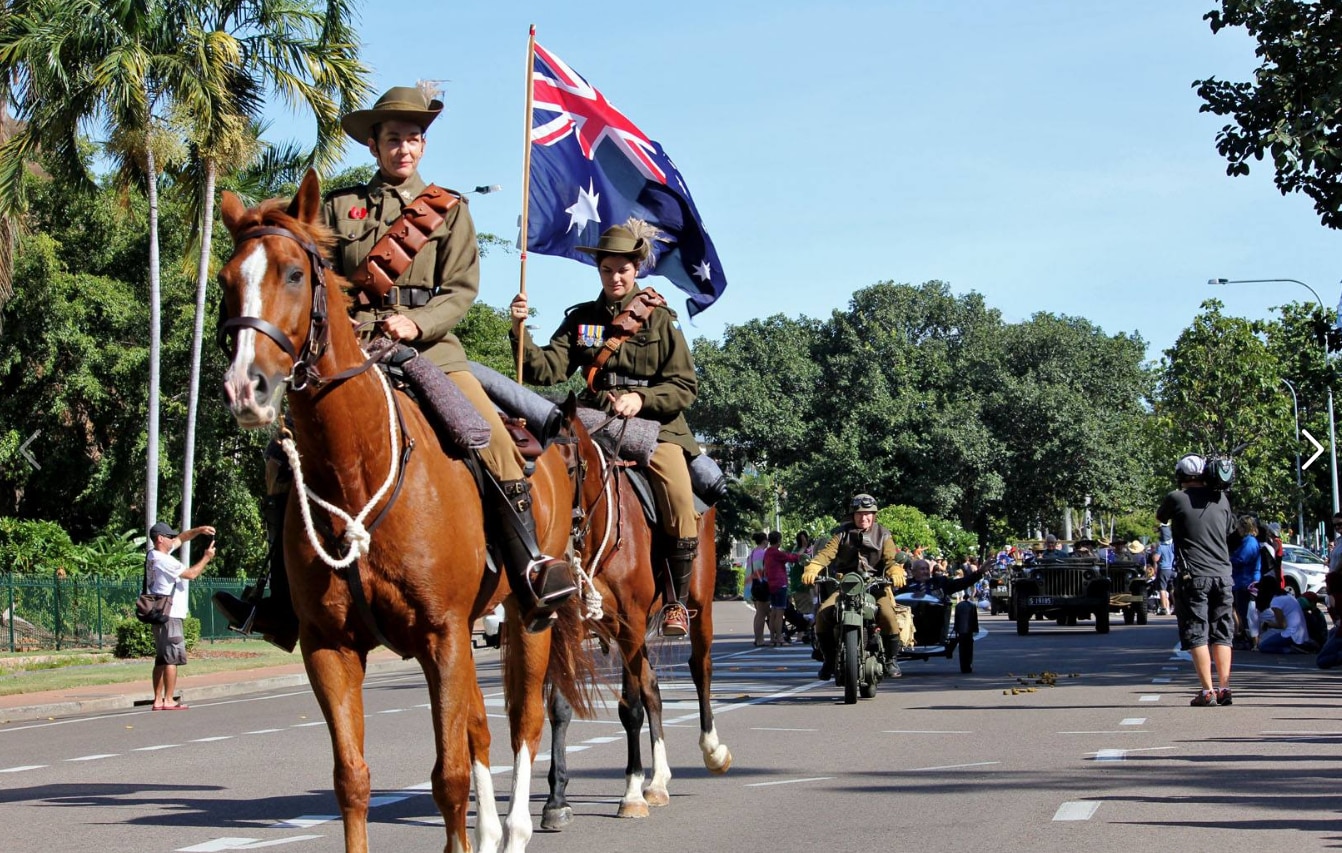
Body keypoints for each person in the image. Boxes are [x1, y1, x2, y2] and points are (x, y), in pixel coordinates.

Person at [217, 86, 578, 637]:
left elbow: (460, 291)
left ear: (423, 146)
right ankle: (281, 593)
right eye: (392, 139)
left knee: (492, 439)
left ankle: (530, 565)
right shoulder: (339, 208)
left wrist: (417, 322)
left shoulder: (451, 210)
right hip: (353, 349)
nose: (403, 148)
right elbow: (311, 282)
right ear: (374, 145)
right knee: (280, 456)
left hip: (431, 350)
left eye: (413, 138)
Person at [509, 221, 701, 637]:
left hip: (655, 426)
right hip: (595, 421)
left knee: (680, 498)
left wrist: (642, 400)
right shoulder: (583, 320)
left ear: (637, 269)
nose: (615, 278)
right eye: (607, 269)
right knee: (539, 477)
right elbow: (546, 369)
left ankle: (676, 603)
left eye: (623, 270)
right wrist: (519, 331)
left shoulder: (661, 319)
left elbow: (685, 385)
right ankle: (550, 579)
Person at [1156, 454, 1236, 707]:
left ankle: (1207, 691)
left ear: (1181, 475)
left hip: (1195, 577)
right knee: (1222, 632)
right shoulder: (1222, 499)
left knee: (1197, 632)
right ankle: (1224, 688)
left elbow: (1161, 518)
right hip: (1223, 575)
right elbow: (1230, 531)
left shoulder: (1175, 498)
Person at [801, 494, 910, 679]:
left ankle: (891, 660)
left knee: (888, 615)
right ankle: (829, 659)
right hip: (845, 586)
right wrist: (813, 567)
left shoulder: (884, 534)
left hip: (875, 586)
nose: (863, 517)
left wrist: (896, 570)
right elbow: (827, 554)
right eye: (859, 513)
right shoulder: (841, 533)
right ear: (853, 515)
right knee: (822, 614)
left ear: (874, 515)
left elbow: (891, 557)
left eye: (868, 513)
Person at [146, 521, 216, 711]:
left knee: (161, 657)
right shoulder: (164, 560)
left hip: (159, 613)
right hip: (171, 614)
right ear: (160, 539)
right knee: (171, 657)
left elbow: (182, 538)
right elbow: (191, 574)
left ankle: (158, 699)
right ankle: (168, 699)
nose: (172, 539)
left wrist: (199, 531)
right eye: (169, 537)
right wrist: (206, 557)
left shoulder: (153, 555)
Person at [763, 531, 803, 645]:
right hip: (780, 584)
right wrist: (802, 550)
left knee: (773, 612)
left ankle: (772, 638)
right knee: (780, 613)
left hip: (771, 584)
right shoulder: (777, 553)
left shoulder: (767, 553)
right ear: (779, 541)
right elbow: (792, 558)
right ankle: (780, 638)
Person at [1229, 515, 1261, 650]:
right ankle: (1243, 634)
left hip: (1246, 581)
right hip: (1243, 580)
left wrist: (1229, 559)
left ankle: (1251, 639)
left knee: (1247, 612)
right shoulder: (1248, 541)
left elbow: (1241, 559)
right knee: (1241, 610)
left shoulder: (1249, 542)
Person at [745, 532, 768, 646]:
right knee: (761, 613)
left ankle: (757, 638)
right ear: (764, 541)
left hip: (752, 585)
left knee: (758, 613)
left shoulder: (752, 553)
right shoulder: (763, 553)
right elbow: (766, 570)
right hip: (761, 585)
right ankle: (760, 639)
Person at [1154, 523, 1176, 615]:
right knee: (1172, 589)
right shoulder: (1173, 546)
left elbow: (1156, 558)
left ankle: (1164, 608)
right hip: (1173, 569)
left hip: (1164, 569)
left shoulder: (1161, 547)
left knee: (1162, 589)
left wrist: (1153, 555)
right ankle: (1176, 607)